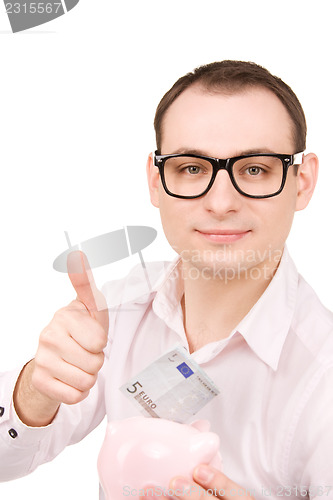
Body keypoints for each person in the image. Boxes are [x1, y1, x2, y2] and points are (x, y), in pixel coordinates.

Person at [0, 60, 332, 500]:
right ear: (157, 182)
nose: (220, 202)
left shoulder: (323, 378)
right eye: (192, 168)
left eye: (255, 169)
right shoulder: (114, 315)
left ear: (302, 182)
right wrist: (35, 389)